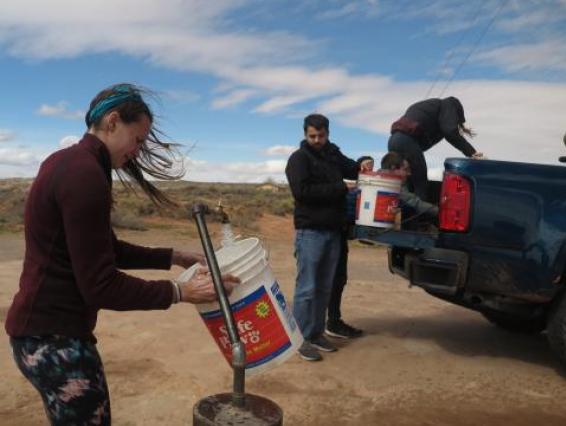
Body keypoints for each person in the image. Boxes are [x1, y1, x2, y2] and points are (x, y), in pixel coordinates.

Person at [4, 83, 239, 425]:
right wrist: (180, 292)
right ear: (113, 122)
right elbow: (99, 285)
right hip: (55, 341)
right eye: (138, 139)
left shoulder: (69, 162)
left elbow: (106, 249)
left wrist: (174, 255)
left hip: (38, 335)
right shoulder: (85, 174)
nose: (139, 151)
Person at [285, 114, 372, 361]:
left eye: (321, 136)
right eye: (312, 136)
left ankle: (315, 333)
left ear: (328, 133)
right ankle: (300, 339)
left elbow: (353, 168)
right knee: (307, 288)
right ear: (305, 134)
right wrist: (341, 188)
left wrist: (364, 162)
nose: (317, 140)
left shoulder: (332, 153)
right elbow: (302, 193)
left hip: (333, 231)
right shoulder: (299, 159)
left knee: (324, 287)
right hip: (310, 232)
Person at [388, 97, 483, 200]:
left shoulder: (430, 107)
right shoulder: (449, 104)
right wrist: (472, 153)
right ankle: (420, 214)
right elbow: (450, 131)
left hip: (393, 141)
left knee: (405, 182)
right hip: (406, 141)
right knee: (420, 184)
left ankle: (399, 210)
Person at [325, 155, 373, 339]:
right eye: (366, 166)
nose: (370, 169)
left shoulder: (359, 190)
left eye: (372, 167)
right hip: (327, 234)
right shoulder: (352, 191)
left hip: (338, 234)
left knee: (338, 278)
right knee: (319, 281)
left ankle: (333, 321)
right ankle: (313, 328)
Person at [380, 152, 439, 218]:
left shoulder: (377, 179)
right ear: (393, 168)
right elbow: (415, 203)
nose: (409, 173)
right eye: (406, 169)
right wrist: (439, 211)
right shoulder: (390, 186)